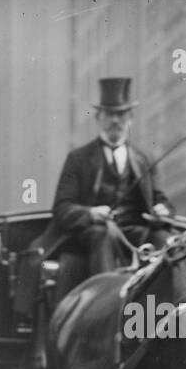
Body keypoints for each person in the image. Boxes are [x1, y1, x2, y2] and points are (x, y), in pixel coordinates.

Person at [51, 77, 174, 276]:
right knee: (104, 235)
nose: (115, 121)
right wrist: (91, 213)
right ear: (98, 117)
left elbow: (160, 199)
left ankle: (164, 300)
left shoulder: (143, 159)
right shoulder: (78, 159)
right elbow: (62, 208)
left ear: (130, 118)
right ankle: (105, 296)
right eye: (109, 114)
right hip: (94, 232)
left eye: (121, 114)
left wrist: (163, 211)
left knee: (162, 238)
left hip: (135, 231)